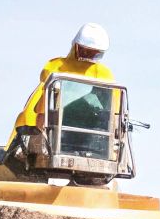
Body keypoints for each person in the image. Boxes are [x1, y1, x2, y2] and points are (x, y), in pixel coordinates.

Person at [8, 23, 115, 165]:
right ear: (76, 46)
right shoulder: (56, 66)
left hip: (88, 134)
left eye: (94, 53)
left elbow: (113, 108)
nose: (88, 56)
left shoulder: (103, 74)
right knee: (42, 114)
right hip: (56, 127)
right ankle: (36, 150)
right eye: (85, 51)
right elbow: (41, 106)